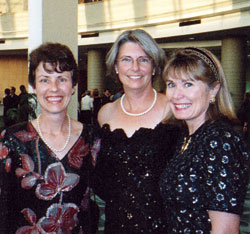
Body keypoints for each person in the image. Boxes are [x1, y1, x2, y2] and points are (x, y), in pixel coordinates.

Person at [0, 42, 100, 234]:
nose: (54, 88)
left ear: (73, 86)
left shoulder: (92, 139)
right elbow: (3, 209)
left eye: (62, 79)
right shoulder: (12, 140)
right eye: (45, 80)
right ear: (34, 87)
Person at [93, 29, 178, 233]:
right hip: (116, 224)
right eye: (126, 60)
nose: (135, 68)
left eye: (143, 60)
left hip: (165, 225)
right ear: (116, 66)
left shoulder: (173, 109)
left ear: (154, 66)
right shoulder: (105, 114)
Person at [159, 47, 250, 234]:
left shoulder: (220, 141)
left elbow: (225, 230)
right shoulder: (188, 137)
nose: (176, 95)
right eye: (171, 84)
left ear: (213, 90)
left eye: (188, 84)